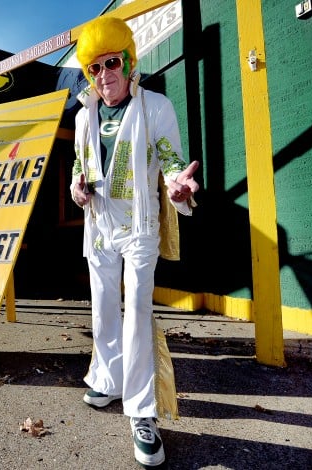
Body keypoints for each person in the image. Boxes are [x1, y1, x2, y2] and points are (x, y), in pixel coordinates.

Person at [70, 16, 200, 468]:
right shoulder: (83, 116)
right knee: (103, 309)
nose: (104, 74)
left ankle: (143, 414)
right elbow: (78, 167)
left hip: (139, 228)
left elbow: (170, 160)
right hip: (99, 227)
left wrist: (177, 186)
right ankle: (108, 380)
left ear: (128, 62)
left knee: (137, 314)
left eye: (112, 63)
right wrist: (76, 188)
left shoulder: (154, 107)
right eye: (94, 68)